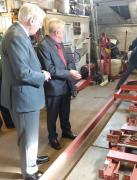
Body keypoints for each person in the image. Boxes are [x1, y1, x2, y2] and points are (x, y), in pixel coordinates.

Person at [1, 3, 51, 180]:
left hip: (25, 96)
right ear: (32, 20)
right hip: (23, 97)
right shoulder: (16, 36)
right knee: (26, 138)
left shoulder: (19, 33)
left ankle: (32, 159)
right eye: (39, 23)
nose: (39, 28)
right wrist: (42, 76)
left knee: (30, 135)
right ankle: (29, 172)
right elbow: (22, 72)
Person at [37, 19, 81, 150]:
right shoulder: (43, 46)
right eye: (62, 32)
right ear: (56, 32)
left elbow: (67, 61)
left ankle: (66, 131)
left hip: (65, 84)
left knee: (65, 111)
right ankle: (52, 137)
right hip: (54, 87)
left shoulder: (59, 43)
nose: (63, 34)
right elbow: (50, 69)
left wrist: (73, 72)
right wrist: (69, 73)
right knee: (52, 115)